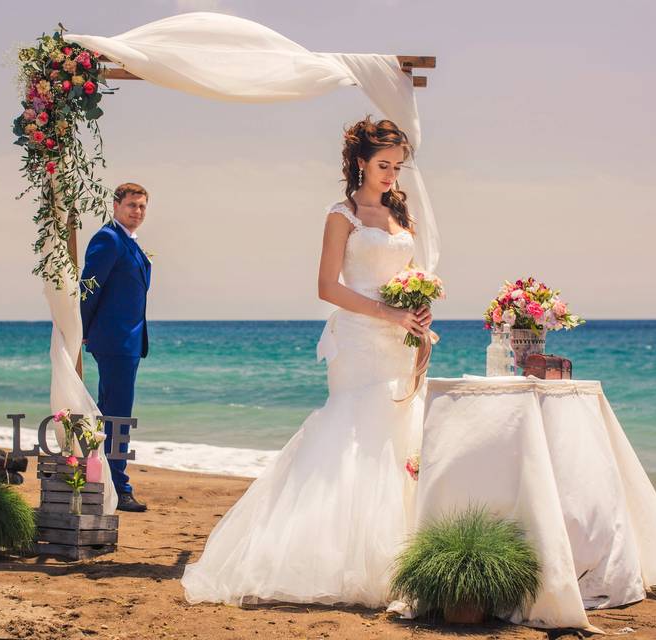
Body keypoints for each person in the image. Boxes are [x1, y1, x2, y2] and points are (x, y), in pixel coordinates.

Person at [181, 117, 433, 607]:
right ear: (361, 162)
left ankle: (400, 557)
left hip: (399, 339)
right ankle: (340, 561)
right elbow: (327, 287)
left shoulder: (402, 217)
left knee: (400, 434)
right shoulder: (342, 216)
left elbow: (410, 277)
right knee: (358, 432)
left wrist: (419, 319)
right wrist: (388, 313)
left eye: (397, 167)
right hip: (359, 340)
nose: (391, 175)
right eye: (383, 165)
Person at [80, 182, 152, 512]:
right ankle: (120, 487)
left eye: (141, 207)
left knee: (109, 413)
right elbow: (89, 288)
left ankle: (101, 478)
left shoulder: (129, 242)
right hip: (114, 341)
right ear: (115, 206)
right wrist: (81, 329)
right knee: (119, 416)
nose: (137, 211)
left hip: (127, 342)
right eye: (131, 205)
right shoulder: (108, 239)